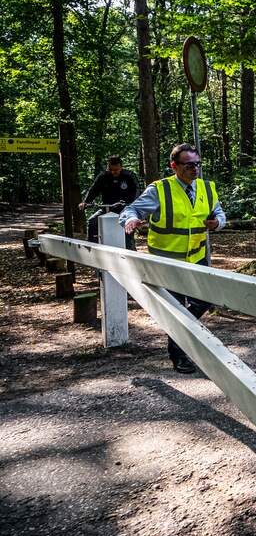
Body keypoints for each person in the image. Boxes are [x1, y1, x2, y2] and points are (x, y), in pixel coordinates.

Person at [119, 144, 226, 374]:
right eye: (189, 165)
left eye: (197, 164)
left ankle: (181, 330)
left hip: (197, 258)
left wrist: (217, 222)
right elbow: (132, 210)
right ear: (174, 166)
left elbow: (219, 212)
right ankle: (179, 356)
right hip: (168, 263)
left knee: (205, 300)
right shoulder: (159, 190)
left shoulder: (207, 189)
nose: (194, 169)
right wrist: (130, 220)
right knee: (177, 309)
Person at [79, 156, 140, 246]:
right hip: (106, 208)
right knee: (92, 221)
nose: (113, 172)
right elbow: (93, 190)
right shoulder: (103, 176)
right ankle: (92, 247)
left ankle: (130, 248)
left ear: (121, 167)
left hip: (125, 208)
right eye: (110, 169)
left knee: (128, 225)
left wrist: (133, 204)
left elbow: (137, 191)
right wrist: (85, 202)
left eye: (116, 170)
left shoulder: (129, 176)